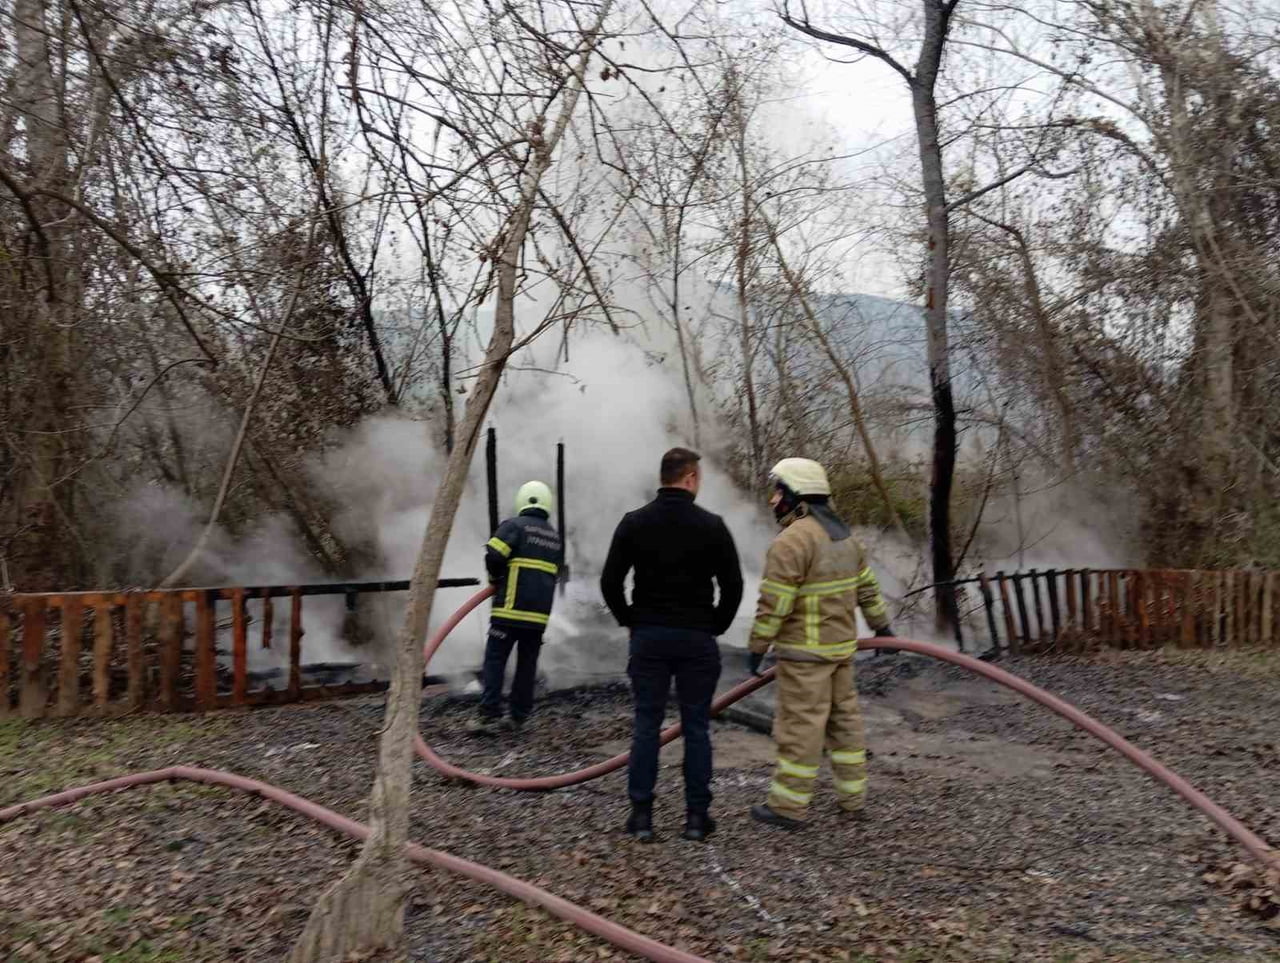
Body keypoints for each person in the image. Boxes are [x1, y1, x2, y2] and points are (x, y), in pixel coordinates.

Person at [601, 447, 743, 843]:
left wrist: (630, 620)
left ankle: (642, 818)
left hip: (649, 637)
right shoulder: (712, 525)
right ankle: (696, 819)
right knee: (696, 727)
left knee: (646, 725)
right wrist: (715, 625)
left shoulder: (634, 523)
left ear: (664, 476)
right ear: (691, 478)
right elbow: (733, 586)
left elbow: (610, 582)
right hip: (697, 638)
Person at [746, 457, 895, 830]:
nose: (773, 500)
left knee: (800, 728)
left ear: (797, 496)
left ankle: (787, 807)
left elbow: (774, 603)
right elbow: (868, 589)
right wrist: (883, 628)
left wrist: (757, 647)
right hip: (841, 652)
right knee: (845, 724)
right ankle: (853, 799)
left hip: (804, 657)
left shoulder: (792, 541)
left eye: (778, 492)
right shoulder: (845, 536)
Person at [474, 480, 564, 735]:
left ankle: (489, 714)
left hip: (508, 611)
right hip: (537, 617)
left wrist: (495, 579)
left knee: (495, 660)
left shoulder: (513, 526)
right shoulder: (554, 538)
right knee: (527, 665)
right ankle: (517, 717)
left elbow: (494, 554)